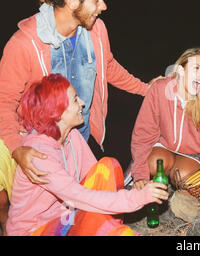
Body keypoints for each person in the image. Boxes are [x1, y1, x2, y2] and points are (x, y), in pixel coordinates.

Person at [0, 0, 153, 234]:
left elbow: (109, 68)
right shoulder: (23, 46)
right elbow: (4, 102)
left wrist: (147, 89)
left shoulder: (95, 30)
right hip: (30, 144)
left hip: (73, 134)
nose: (103, 6)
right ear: (72, 1)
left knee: (80, 194)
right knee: (24, 207)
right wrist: (16, 148)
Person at [6, 74, 168, 236]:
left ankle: (109, 227)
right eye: (75, 100)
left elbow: (94, 182)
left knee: (108, 166)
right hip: (34, 230)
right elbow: (80, 195)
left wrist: (136, 191)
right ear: (57, 111)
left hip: (66, 217)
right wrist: (138, 197)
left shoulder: (71, 135)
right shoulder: (40, 155)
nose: (83, 103)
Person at [129, 48, 200, 188]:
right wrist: (139, 175)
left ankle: (180, 198)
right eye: (196, 68)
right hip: (163, 146)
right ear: (180, 70)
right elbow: (143, 134)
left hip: (192, 155)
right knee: (155, 164)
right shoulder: (160, 89)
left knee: (183, 176)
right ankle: (157, 191)